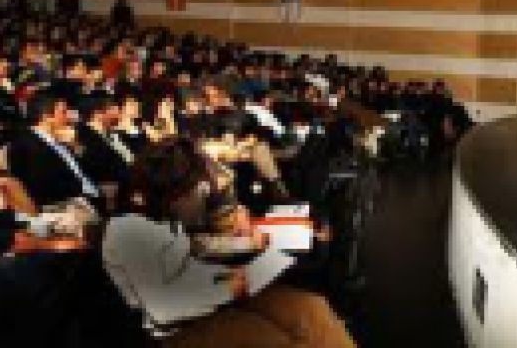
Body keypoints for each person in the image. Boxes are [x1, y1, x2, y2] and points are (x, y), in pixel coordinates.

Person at [102, 138, 356, 348]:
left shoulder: (166, 212)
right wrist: (227, 289)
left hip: (213, 291)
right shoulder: (128, 233)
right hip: (179, 327)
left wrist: (238, 258)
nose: (197, 195)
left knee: (312, 308)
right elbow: (162, 308)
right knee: (281, 340)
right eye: (189, 191)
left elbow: (194, 248)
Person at [8, 93, 100, 206]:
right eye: (64, 112)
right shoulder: (27, 146)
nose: (69, 117)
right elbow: (44, 186)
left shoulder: (62, 138)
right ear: (47, 117)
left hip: (90, 196)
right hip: (67, 204)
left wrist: (76, 146)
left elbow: (93, 169)